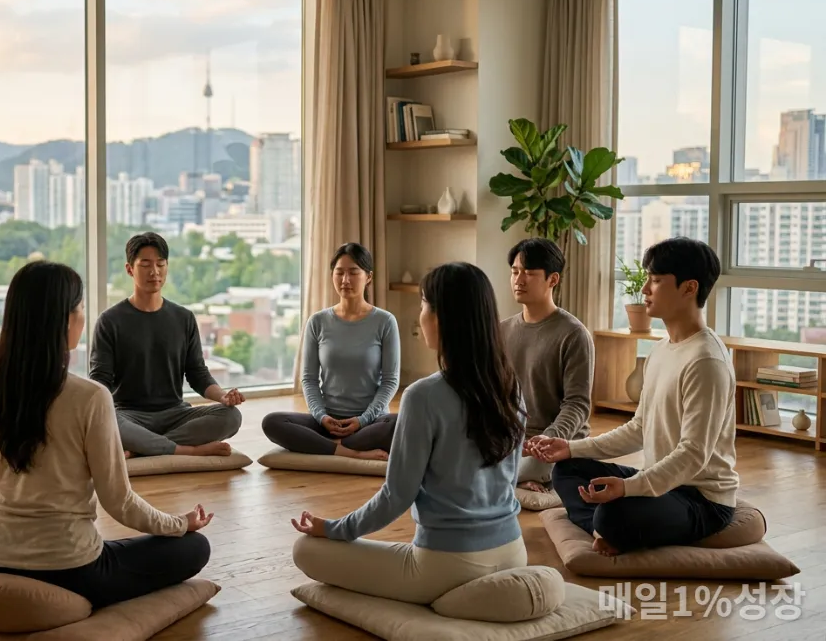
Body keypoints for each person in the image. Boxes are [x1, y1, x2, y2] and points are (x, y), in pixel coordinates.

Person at [0, 261, 213, 609]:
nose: (83, 317)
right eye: (80, 307)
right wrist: (180, 523)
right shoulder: (89, 396)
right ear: (64, 320)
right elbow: (119, 502)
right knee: (195, 547)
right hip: (69, 568)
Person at [288, 263, 528, 605]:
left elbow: (396, 496)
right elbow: (512, 473)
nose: (420, 316)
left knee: (306, 549)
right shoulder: (511, 386)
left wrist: (333, 529)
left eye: (424, 305)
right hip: (512, 552)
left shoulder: (423, 395)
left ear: (443, 317)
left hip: (447, 565)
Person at [531, 238, 738, 556]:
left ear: (689, 287)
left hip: (700, 499)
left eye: (655, 281)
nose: (645, 290)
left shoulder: (706, 361)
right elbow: (639, 428)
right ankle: (605, 530)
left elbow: (693, 454)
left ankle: (605, 526)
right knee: (568, 469)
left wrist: (627, 489)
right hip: (658, 482)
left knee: (615, 512)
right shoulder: (662, 348)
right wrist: (570, 447)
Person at [89, 232, 244, 458]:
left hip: (175, 414)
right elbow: (100, 380)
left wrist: (223, 396)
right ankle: (186, 450)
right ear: (129, 269)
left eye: (160, 264)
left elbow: (197, 374)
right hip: (130, 416)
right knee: (105, 421)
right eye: (145, 265)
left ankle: (142, 448)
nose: (155, 272)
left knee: (231, 417)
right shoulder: (110, 321)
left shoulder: (184, 318)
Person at [263, 243, 399, 460]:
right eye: (339, 273)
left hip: (370, 423)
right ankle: (349, 450)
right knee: (272, 422)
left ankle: (325, 447)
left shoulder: (385, 321)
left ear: (369, 277)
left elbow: (390, 381)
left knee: (401, 422)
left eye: (353, 273)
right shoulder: (317, 321)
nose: (345, 280)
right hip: (327, 422)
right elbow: (308, 379)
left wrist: (362, 420)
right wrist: (321, 416)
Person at [501, 238, 593, 492]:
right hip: (512, 439)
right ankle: (518, 477)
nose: (519, 280)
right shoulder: (502, 330)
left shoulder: (574, 334)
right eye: (515, 272)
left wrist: (547, 439)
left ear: (553, 280)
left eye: (529, 273)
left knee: (515, 467)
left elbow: (577, 404)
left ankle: (526, 476)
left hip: (555, 442)